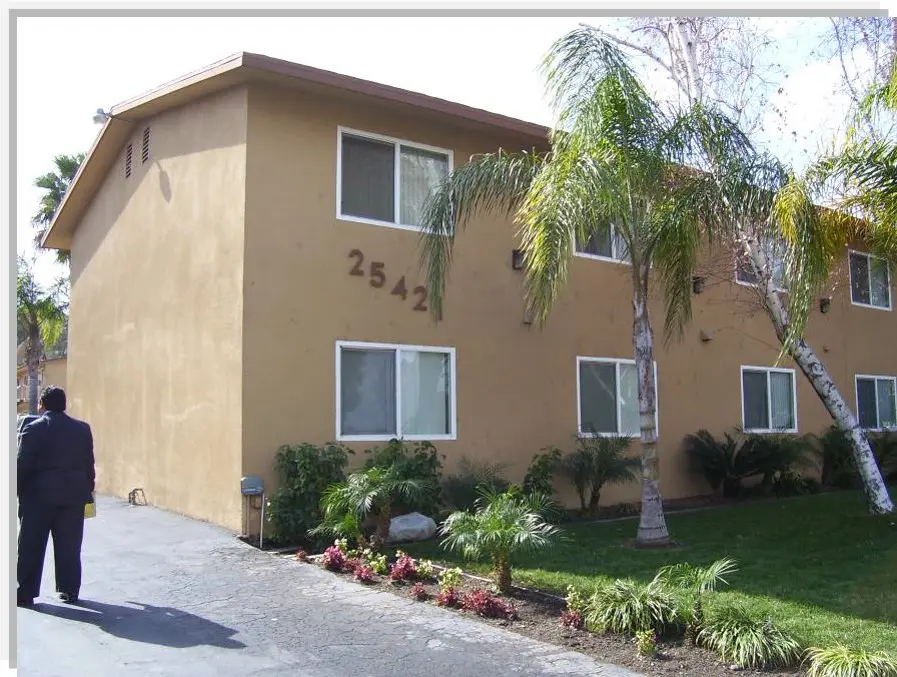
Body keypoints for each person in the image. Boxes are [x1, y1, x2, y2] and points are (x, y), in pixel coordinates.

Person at [17, 386, 95, 607]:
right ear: (64, 405)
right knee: (69, 546)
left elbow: (22, 466)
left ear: (41, 405)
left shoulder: (33, 429)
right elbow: (89, 464)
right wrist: (87, 490)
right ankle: (69, 591)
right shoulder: (82, 430)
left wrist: (19, 493)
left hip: (38, 498)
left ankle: (25, 592)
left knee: (31, 545)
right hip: (72, 497)